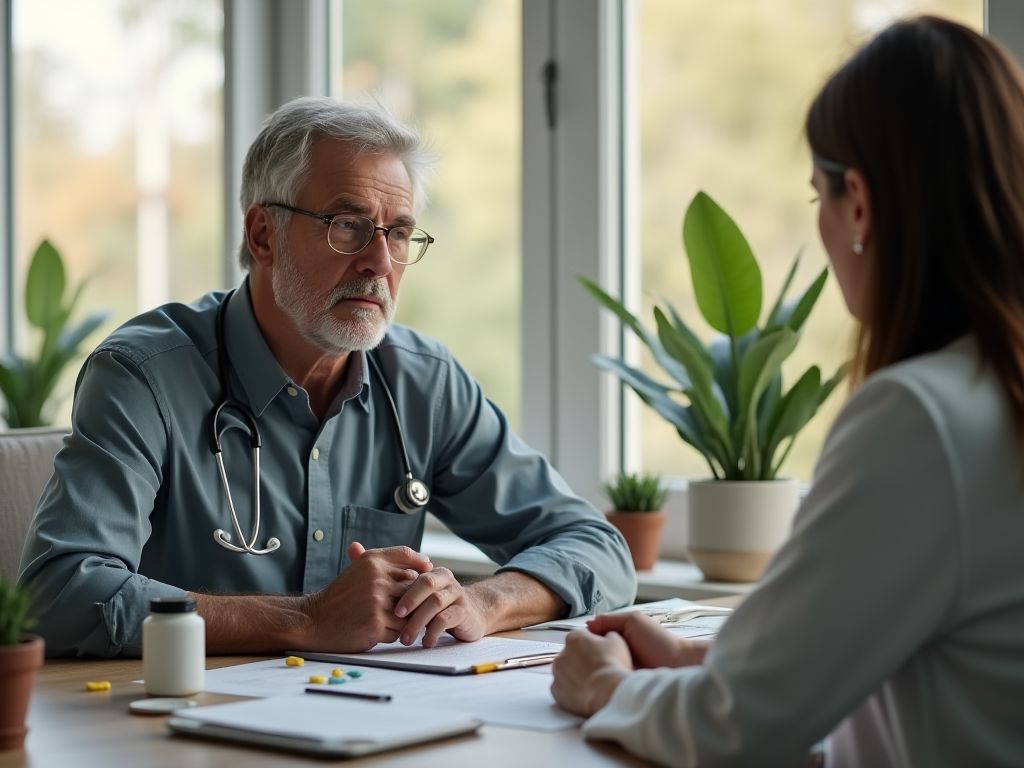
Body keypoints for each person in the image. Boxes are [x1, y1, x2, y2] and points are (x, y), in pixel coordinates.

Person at [550, 15, 1024, 767]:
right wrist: (691, 661)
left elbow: (737, 730)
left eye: (819, 200)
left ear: (860, 203)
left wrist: (608, 688)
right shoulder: (993, 395)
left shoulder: (923, 420)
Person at [19, 97, 636, 658]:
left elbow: (595, 546)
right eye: (347, 226)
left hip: (372, 724)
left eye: (397, 233)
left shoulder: (425, 382)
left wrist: (483, 602)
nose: (378, 261)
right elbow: (61, 590)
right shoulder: (143, 377)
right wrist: (306, 620)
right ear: (264, 235)